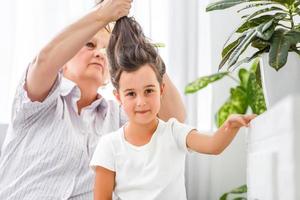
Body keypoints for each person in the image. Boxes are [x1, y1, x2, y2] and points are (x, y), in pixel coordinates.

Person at [0, 0, 186, 199]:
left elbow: (174, 119)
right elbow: (44, 61)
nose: (99, 53)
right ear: (64, 60)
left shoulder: (119, 117)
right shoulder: (39, 103)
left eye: (107, 51)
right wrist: (102, 14)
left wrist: (137, 42)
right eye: (90, 44)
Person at [90, 17, 256, 200]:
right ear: (118, 97)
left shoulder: (174, 131)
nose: (141, 102)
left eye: (148, 91)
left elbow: (213, 146)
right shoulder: (109, 146)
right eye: (131, 94)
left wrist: (230, 126)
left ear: (161, 90)